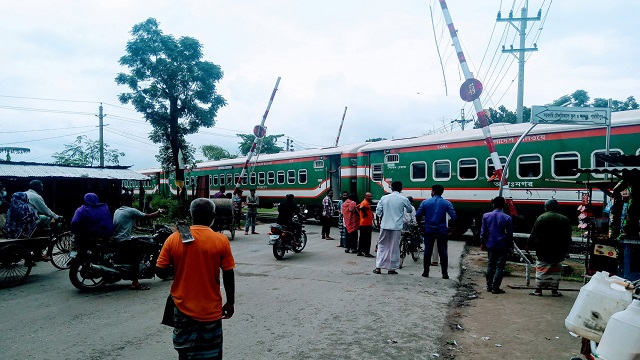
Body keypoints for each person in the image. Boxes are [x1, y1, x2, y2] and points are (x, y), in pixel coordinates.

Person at [156, 198, 235, 360]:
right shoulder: (221, 240)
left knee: (185, 352)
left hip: (182, 307)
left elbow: (160, 272)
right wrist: (230, 302)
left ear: (191, 215)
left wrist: (179, 265)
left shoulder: (173, 239)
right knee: (211, 352)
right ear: (213, 216)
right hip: (211, 310)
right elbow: (228, 274)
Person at [113, 193, 164, 290]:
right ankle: (135, 283)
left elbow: (131, 225)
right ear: (130, 201)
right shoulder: (131, 211)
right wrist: (159, 212)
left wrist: (145, 230)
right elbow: (148, 216)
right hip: (123, 240)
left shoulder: (118, 211)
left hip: (117, 239)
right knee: (137, 257)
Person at [527, 199, 572, 297]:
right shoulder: (564, 219)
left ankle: (538, 290)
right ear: (557, 207)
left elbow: (534, 234)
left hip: (543, 249)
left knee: (541, 269)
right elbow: (568, 237)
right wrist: (566, 249)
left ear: (546, 207)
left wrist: (529, 245)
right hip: (558, 250)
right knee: (555, 270)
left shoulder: (541, 218)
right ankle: (554, 291)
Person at [416, 184, 457, 279]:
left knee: (427, 251)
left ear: (433, 192)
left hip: (429, 230)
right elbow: (454, 217)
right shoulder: (447, 203)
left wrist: (420, 225)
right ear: (442, 192)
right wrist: (452, 228)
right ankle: (444, 274)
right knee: (443, 251)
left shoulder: (425, 202)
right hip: (442, 230)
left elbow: (418, 215)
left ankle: (426, 272)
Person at [373, 181, 413, 275]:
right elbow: (409, 210)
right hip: (396, 227)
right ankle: (391, 269)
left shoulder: (384, 198)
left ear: (391, 188)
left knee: (382, 246)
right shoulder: (403, 199)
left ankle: (378, 268)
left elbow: (378, 211)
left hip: (385, 225)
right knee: (394, 247)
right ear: (401, 188)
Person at [480, 196, 513, 294]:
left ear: (493, 204)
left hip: (490, 243)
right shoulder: (507, 218)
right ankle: (495, 287)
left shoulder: (486, 216)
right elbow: (510, 234)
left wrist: (482, 243)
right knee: (500, 267)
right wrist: (510, 245)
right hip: (503, 244)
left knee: (490, 265)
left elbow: (483, 231)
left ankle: (489, 286)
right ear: (503, 205)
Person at [357, 192, 374, 257]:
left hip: (363, 224)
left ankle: (360, 251)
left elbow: (357, 207)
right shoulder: (365, 203)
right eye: (369, 196)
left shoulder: (364, 202)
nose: (371, 198)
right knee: (367, 239)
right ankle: (366, 252)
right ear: (366, 197)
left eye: (371, 196)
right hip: (366, 224)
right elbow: (361, 207)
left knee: (362, 238)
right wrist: (365, 214)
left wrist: (361, 214)